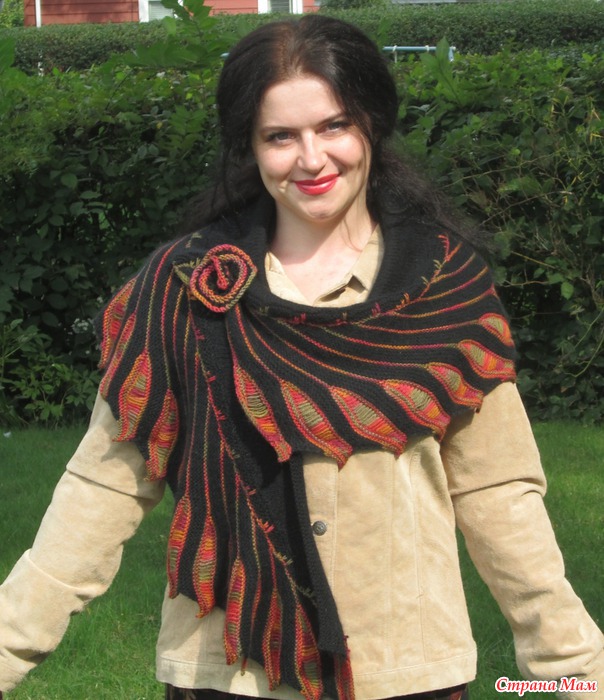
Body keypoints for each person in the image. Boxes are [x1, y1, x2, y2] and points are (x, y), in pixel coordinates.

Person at [0, 14, 602, 700]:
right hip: (228, 673)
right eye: (280, 136)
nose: (312, 159)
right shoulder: (183, 292)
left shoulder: (445, 289)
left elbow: (497, 492)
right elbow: (102, 489)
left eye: (334, 126)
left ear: (371, 124)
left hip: (405, 671)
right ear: (250, 146)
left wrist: (574, 672)